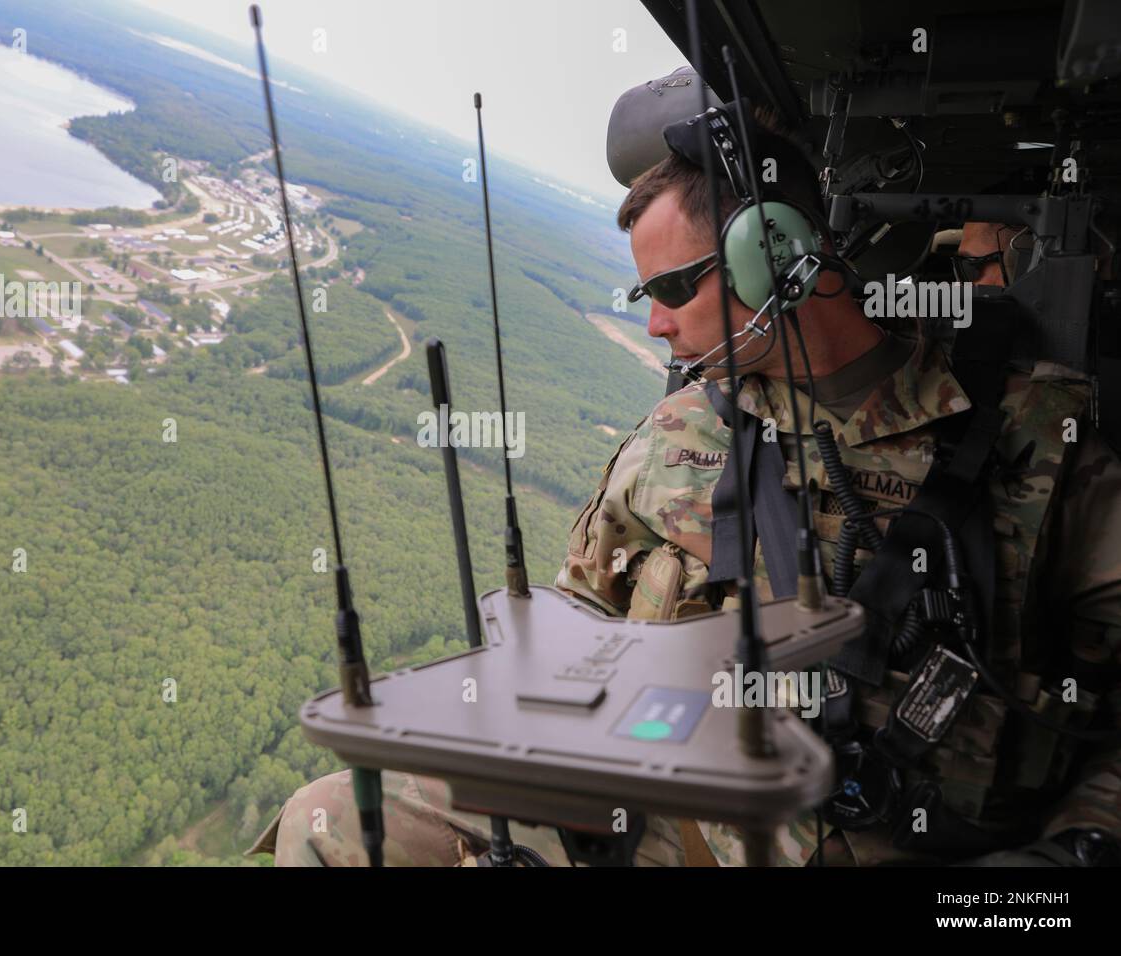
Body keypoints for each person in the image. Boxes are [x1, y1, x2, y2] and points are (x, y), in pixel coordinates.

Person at [256, 120, 1121, 868]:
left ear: (772, 260)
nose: (656, 324)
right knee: (333, 822)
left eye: (673, 288)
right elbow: (576, 621)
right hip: (682, 832)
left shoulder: (1039, 437)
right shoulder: (676, 435)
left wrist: (1057, 865)